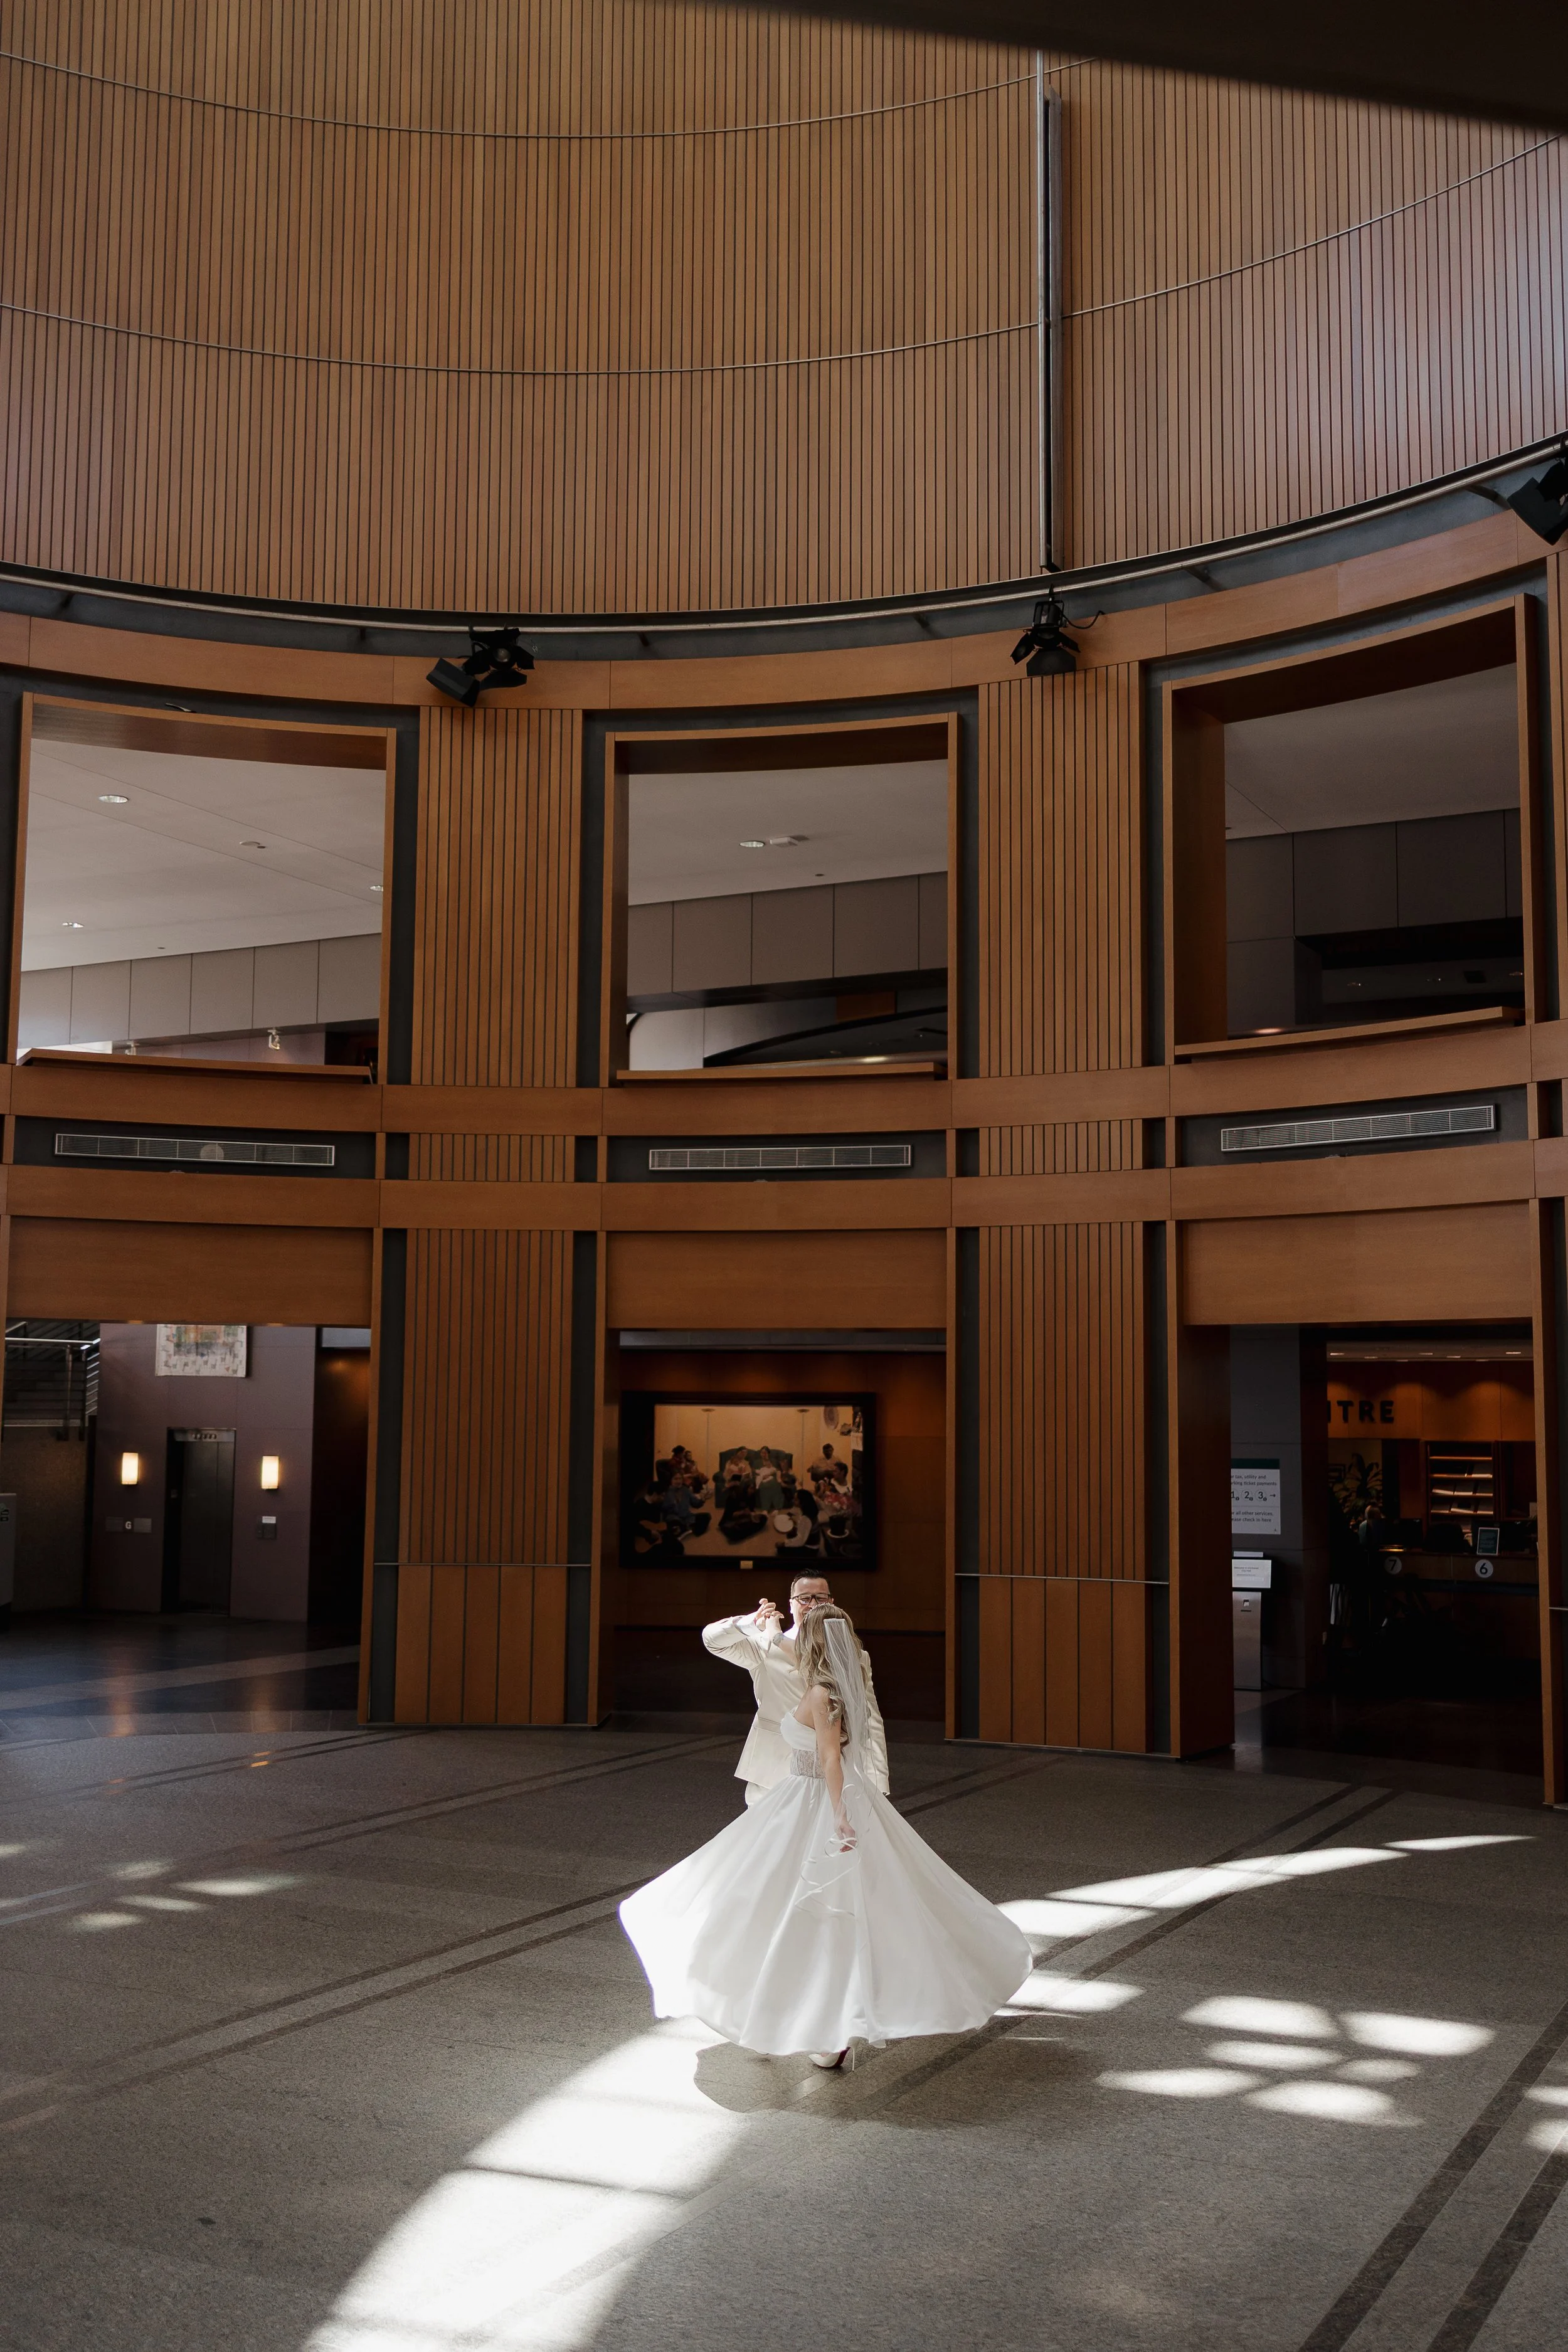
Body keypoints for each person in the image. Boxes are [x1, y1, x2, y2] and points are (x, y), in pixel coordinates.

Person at [621, 1604, 1032, 2065]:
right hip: (803, 1799)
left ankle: (818, 2024)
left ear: (814, 1643)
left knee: (788, 1904)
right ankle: (797, 2019)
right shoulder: (840, 1687)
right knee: (791, 1903)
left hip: (811, 1801)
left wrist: (839, 1814)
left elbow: (832, 1760)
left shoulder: (822, 1694)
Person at [702, 1574, 888, 1803]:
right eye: (804, 1598)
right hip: (772, 1768)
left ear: (831, 1602)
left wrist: (877, 1778)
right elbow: (712, 1640)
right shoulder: (764, 1644)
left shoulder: (855, 1656)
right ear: (791, 1604)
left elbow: (869, 1715)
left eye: (820, 1598)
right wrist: (751, 1624)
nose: (812, 1604)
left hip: (835, 1771)